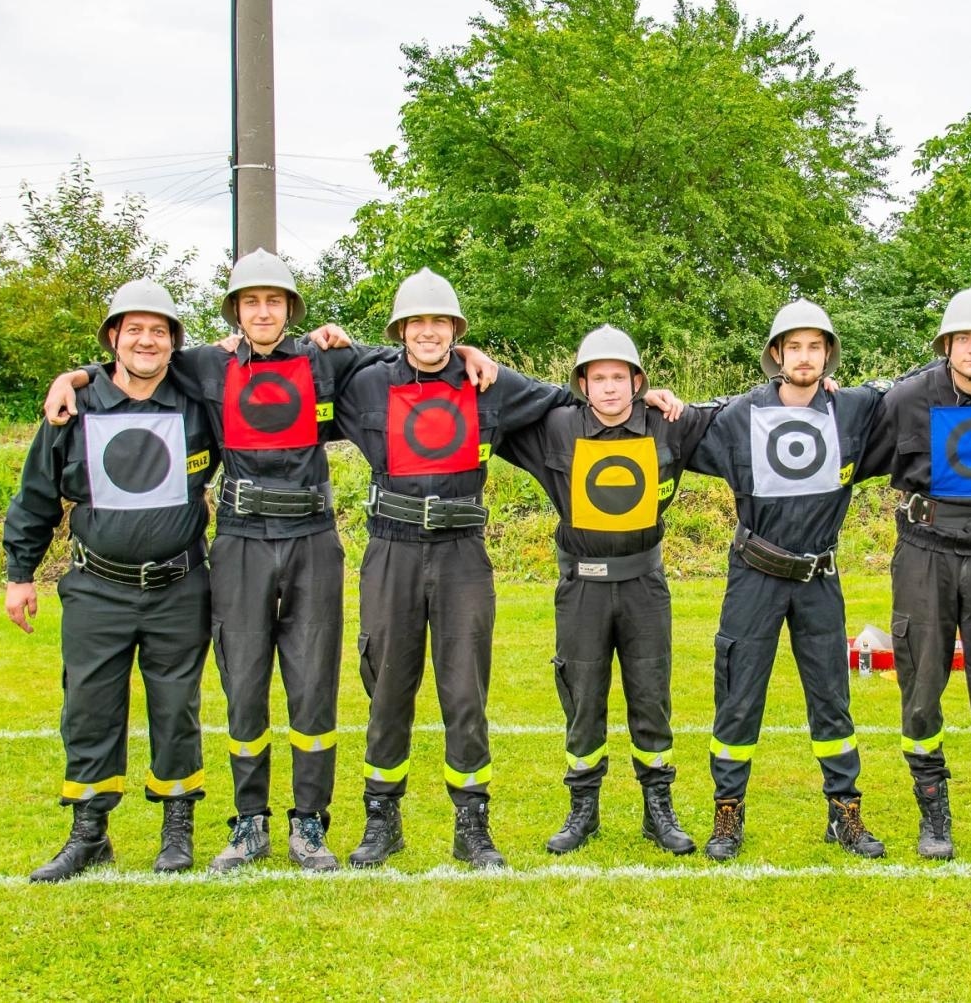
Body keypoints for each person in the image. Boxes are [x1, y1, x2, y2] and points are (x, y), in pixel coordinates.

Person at [42, 250, 480, 872]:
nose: (264, 311)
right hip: (241, 542)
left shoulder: (327, 358)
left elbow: (413, 358)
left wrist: (468, 356)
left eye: (275, 301)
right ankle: (249, 824)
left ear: (291, 309)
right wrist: (76, 377)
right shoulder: (205, 365)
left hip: (312, 540)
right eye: (252, 301)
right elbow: (137, 365)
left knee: (312, 684)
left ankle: (309, 824)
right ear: (236, 311)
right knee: (243, 684)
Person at [333, 269, 582, 870]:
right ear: (400, 330)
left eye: (440, 323)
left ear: (455, 329)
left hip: (461, 553)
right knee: (388, 686)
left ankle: (471, 823)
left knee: (464, 690)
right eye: (416, 322)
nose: (428, 333)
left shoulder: (487, 384)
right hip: (390, 549)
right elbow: (301, 361)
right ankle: (381, 819)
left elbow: (570, 397)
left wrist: (650, 398)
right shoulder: (367, 383)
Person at [4, 279, 217, 880]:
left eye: (159, 330)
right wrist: (20, 573)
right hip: (98, 588)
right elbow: (38, 493)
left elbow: (260, 356)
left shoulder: (201, 401)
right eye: (134, 329)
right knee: (89, 708)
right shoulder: (75, 404)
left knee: (176, 707)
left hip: (180, 586)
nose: (146, 340)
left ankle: (177, 828)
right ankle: (89, 832)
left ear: (174, 342)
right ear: (113, 338)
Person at [685, 299, 888, 861]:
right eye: (793, 347)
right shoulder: (738, 416)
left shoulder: (852, 409)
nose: (804, 357)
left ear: (828, 354)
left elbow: (922, 389)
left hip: (819, 578)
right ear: (776, 354)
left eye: (815, 347)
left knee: (832, 698)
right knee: (738, 696)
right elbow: (684, 422)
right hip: (754, 576)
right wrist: (661, 399)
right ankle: (728, 812)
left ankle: (844, 811)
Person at [498, 325, 712, 857]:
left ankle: (658, 808)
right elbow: (495, 407)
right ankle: (583, 808)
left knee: (650, 694)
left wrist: (807, 387)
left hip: (644, 584)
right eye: (599, 378)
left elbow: (736, 415)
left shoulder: (668, 425)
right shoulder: (555, 428)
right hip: (582, 588)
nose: (610, 388)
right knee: (582, 695)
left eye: (620, 377)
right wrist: (471, 357)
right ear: (583, 383)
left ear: (638, 382)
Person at [859, 284, 971, 864]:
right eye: (963, 338)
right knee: (920, 685)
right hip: (923, 550)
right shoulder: (908, 396)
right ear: (946, 345)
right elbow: (857, 424)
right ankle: (933, 816)